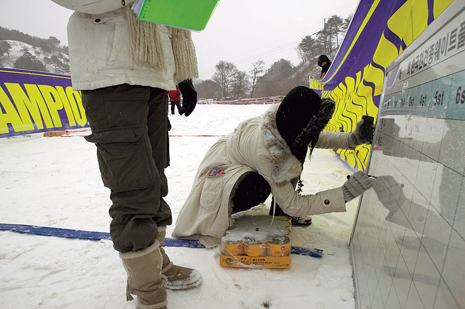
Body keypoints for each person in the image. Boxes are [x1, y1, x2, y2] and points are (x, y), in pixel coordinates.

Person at [51, 1, 202, 308]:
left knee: (155, 178)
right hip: (112, 71)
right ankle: (149, 295)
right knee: (134, 189)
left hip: (156, 73)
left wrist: (180, 75)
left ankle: (156, 267)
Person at [173, 86, 376, 247]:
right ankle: (261, 209)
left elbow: (314, 137)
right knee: (259, 188)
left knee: (290, 160)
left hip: (242, 155)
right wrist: (345, 194)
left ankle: (279, 212)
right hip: (223, 168)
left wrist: (352, 139)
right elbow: (293, 204)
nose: (308, 137)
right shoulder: (268, 154)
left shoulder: (283, 124)